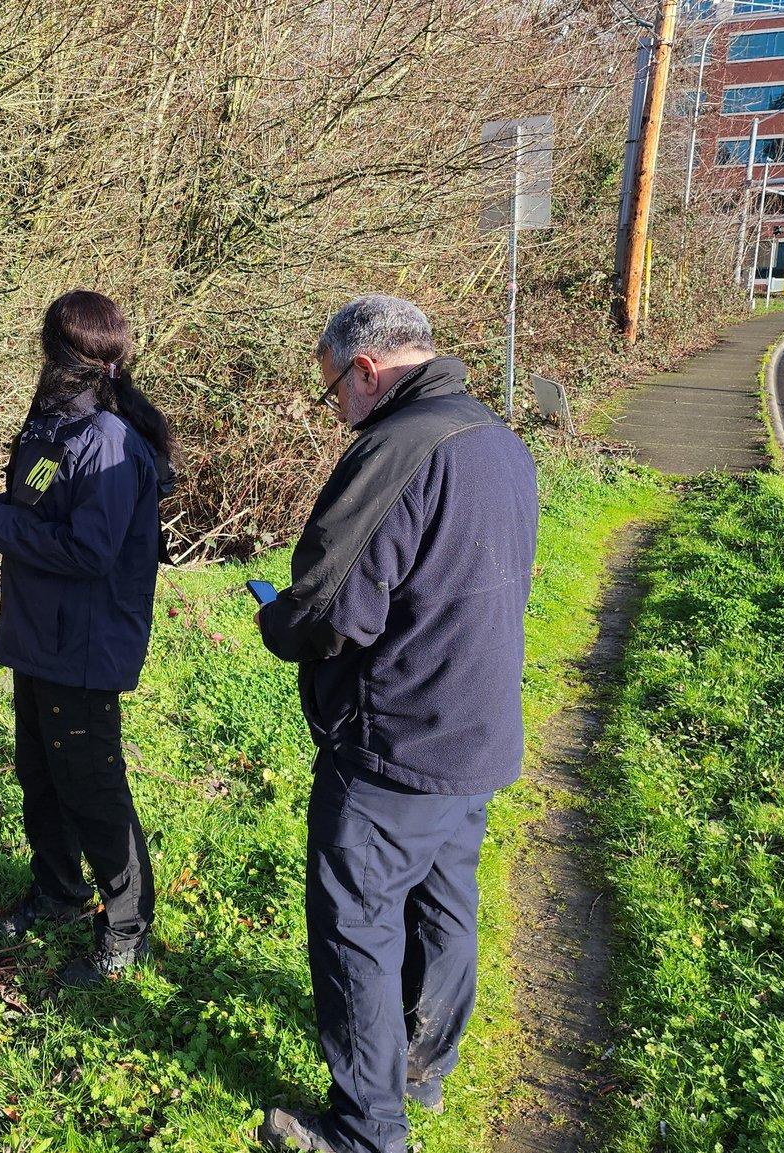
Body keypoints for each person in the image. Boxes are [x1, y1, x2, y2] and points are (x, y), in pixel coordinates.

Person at [253, 296, 538, 1152]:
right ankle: (425, 1069)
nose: (334, 405)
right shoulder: (497, 437)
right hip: (476, 725)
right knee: (445, 904)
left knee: (357, 925)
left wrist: (278, 623)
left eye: (333, 386)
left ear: (367, 370)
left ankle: (367, 1130)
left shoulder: (394, 451)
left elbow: (335, 609)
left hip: (395, 739)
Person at [0, 290, 174, 989]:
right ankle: (58, 893)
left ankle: (126, 928)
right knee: (41, 776)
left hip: (85, 648)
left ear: (61, 355)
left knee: (93, 790)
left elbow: (89, 550)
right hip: (41, 641)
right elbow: (42, 510)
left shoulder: (105, 440)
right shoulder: (55, 430)